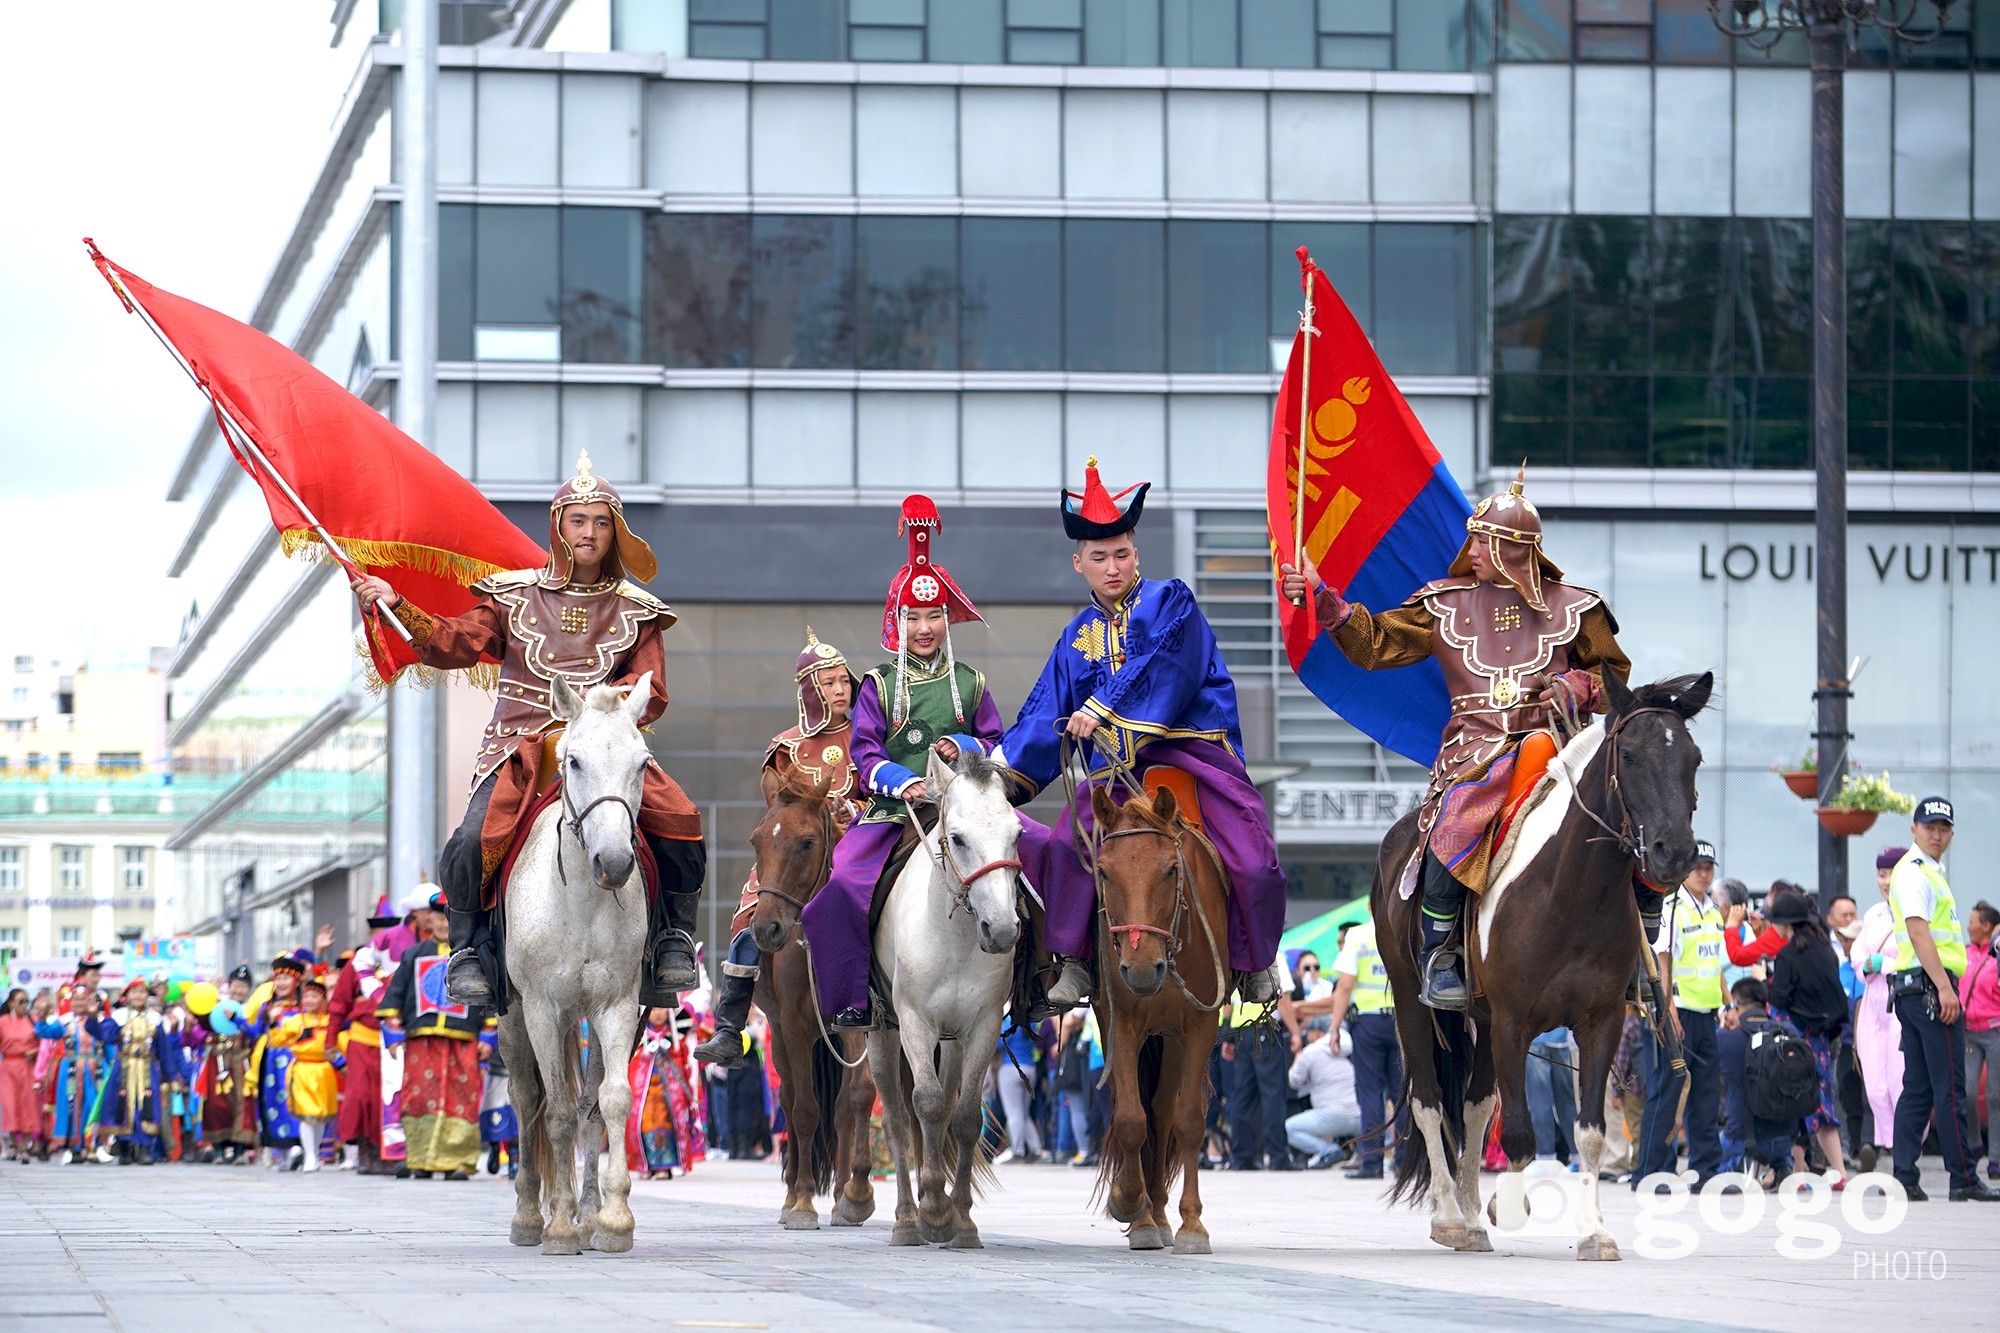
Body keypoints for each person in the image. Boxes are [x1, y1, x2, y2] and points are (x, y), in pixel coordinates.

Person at [354, 450, 707, 1009]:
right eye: (578, 520)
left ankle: (672, 942)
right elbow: (454, 642)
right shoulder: (513, 594)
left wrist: (608, 705)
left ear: (615, 532)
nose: (589, 532)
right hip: (517, 749)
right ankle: (468, 951)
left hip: (599, 746)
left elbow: (653, 692)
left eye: (601, 522)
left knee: (683, 821)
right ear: (558, 526)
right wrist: (398, 603)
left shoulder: (639, 610)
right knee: (470, 841)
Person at [1281, 473, 1631, 1009]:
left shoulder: (1578, 607)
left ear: (1515, 551)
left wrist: (1574, 684)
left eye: (1483, 541)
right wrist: (1326, 603)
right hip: (1476, 751)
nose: (1471, 551)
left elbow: (1615, 676)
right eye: (1474, 539)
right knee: (1459, 816)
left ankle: (1637, 944)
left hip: (1558, 744)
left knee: (1632, 813)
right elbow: (1376, 643)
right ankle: (1441, 951)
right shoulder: (1443, 603)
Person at [994, 460, 1288, 1009]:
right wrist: (997, 768)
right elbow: (1044, 710)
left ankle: (1256, 962)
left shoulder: (1169, 601)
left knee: (1252, 854)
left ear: (1137, 554)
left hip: (1192, 755)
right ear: (1078, 562)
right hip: (1116, 775)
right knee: (1062, 847)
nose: (1113, 567)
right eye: (1099, 557)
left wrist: (1102, 709)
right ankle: (1075, 962)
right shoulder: (1076, 637)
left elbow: (1169, 667)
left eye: (1122, 554)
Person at [798, 497, 1017, 1029]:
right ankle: (854, 998)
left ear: (947, 619)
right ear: (897, 621)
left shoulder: (971, 682)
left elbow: (997, 746)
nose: (924, 628)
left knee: (1034, 863)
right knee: (842, 888)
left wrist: (963, 747)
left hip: (969, 812)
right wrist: (907, 782)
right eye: (913, 616)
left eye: (933, 616)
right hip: (896, 814)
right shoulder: (876, 684)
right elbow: (866, 752)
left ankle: (1033, 987)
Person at [697, 629, 862, 1067]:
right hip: (797, 855)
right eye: (829, 683)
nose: (840, 690)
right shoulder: (785, 747)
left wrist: (855, 810)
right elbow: (777, 814)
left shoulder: (870, 736)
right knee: (752, 910)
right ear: (810, 690)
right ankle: (730, 1026)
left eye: (844, 680)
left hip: (858, 846)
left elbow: (880, 789)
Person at [1885, 797, 2000, 1202]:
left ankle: (1904, 1176)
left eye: (1944, 828)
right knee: (1949, 1087)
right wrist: (1946, 988)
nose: (1937, 834)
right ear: (1913, 830)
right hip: (1932, 989)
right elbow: (1919, 933)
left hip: (1914, 989)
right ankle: (1963, 1177)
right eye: (1929, 826)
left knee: (1918, 1088)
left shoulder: (1928, 872)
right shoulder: (1916, 873)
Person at [377, 899, 494, 1180]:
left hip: (463, 1039)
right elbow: (394, 996)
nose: (444, 924)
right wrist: (393, 1034)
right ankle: (419, 1158)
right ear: (431, 921)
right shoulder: (414, 954)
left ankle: (458, 1161)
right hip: (421, 1039)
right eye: (440, 919)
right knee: (418, 1097)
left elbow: (488, 999)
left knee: (461, 1097)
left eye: (450, 920)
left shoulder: (474, 956)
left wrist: (488, 1036)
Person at [1636, 841, 1725, 1189]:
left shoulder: (1713, 910)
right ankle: (1651, 1171)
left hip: (1706, 1012)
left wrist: (1728, 1005)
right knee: (1667, 1091)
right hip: (1675, 1012)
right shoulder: (1672, 907)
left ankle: (1707, 1171)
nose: (1704, 873)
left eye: (1709, 867)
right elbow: (1662, 959)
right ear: (1686, 869)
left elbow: (1714, 962)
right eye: (1698, 867)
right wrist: (1667, 1006)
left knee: (1705, 1094)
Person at [1765, 890, 1852, 1184]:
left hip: (1792, 1041)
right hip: (1821, 1042)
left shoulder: (1788, 955)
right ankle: (1839, 1171)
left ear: (1784, 922)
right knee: (1822, 1103)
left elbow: (1778, 998)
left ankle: (1798, 1173)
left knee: (1791, 1103)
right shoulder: (1826, 948)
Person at [1324, 916, 1399, 1180]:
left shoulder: (1358, 936)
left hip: (1367, 1022)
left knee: (1369, 1093)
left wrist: (1334, 1027)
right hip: (1400, 1020)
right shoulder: (1401, 925)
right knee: (1401, 1093)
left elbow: (1344, 986)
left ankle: (1372, 1162)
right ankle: (1403, 1160)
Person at [1715, 977, 1797, 1189]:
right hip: (1785, 1137)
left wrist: (1724, 1027)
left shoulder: (1725, 1039)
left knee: (1709, 1162)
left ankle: (1731, 1174)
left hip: (1740, 1137)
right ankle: (1783, 1166)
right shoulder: (1788, 1033)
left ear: (1736, 1004)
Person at [1223, 969, 1300, 1172]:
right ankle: (1277, 1156)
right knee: (1272, 1093)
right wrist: (1295, 1032)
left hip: (1241, 1030)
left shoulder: (1238, 958)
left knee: (1242, 1096)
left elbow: (1229, 999)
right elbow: (1282, 999)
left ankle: (1241, 1157)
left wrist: (1226, 1034)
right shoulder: (1273, 957)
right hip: (1265, 1028)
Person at [327, 945, 393, 1174]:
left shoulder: (403, 959)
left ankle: (387, 1154)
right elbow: (338, 1004)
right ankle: (365, 1150)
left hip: (395, 1042)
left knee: (387, 1099)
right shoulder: (358, 964)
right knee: (361, 1096)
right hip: (362, 1043)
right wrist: (330, 1041)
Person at [266, 975, 339, 1173]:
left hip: (324, 1070)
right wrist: (273, 1023)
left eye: (314, 996)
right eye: (306, 996)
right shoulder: (297, 1020)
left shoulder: (330, 1021)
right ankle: (309, 1156)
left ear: (323, 1000)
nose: (309, 1001)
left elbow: (338, 1045)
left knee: (320, 1116)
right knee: (307, 1116)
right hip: (303, 1071)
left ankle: (315, 1153)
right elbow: (277, 1040)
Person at [628, 1005, 706, 1179]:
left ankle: (665, 1166)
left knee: (669, 1120)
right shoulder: (639, 1036)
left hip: (668, 1093)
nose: (657, 1013)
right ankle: (646, 1165)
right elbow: (633, 1064)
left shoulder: (676, 1034)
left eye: (662, 1009)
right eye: (653, 1010)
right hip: (645, 1093)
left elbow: (682, 1059)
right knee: (643, 1120)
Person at [248, 955, 307, 1170]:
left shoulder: (303, 1007)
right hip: (270, 1062)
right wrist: (236, 1019)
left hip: (294, 1061)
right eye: (278, 979)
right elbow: (254, 1032)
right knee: (271, 1103)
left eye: (286, 979)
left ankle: (296, 1147)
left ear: (297, 981)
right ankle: (281, 1153)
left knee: (292, 1102)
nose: (281, 983)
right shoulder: (267, 1007)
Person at [101, 978, 167, 1165]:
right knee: (123, 1106)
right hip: (124, 1069)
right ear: (126, 995)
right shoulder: (118, 1016)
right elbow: (106, 1035)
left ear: (148, 996)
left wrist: (170, 1075)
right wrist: (92, 1017)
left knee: (146, 1106)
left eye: (142, 992)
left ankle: (145, 1150)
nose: (138, 995)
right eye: (134, 991)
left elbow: (164, 1049)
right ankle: (124, 1150)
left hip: (148, 1069)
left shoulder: (156, 1019)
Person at [198, 964, 258, 1163]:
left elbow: (255, 1033)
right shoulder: (217, 1006)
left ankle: (240, 1150)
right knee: (216, 1104)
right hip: (219, 1061)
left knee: (243, 1103)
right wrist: (208, 994)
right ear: (229, 985)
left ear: (249, 989)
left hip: (242, 1061)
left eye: (243, 986)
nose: (238, 990)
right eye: (235, 985)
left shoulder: (250, 1010)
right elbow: (203, 1023)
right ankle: (219, 1149)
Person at [1959, 902, 2000, 1179]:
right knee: (1968, 1092)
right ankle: (1974, 1146)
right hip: (1968, 1032)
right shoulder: (1964, 954)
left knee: (1996, 1097)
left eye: (1972, 921)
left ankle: (1996, 1158)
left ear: (1986, 926)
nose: (1968, 926)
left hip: (1995, 1031)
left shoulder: (1996, 957)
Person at [1285, 1027, 1362, 1169]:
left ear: (1315, 1032)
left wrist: (1298, 1055)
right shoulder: (1345, 1045)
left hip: (1331, 1118)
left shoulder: (1310, 1051)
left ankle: (1330, 1150)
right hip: (1359, 1117)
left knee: (1289, 1128)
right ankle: (1363, 1153)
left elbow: (1294, 1081)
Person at [993, 1019, 1045, 1164]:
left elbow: (996, 1044)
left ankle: (1018, 1151)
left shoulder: (1009, 1021)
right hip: (1030, 1068)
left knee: (1013, 1112)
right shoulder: (1032, 1022)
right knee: (1024, 1113)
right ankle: (1035, 1149)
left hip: (1010, 1067)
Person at [0, 989, 42, 1160]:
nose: (24, 1005)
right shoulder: (2, 1022)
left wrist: (36, 1051)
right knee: (10, 1106)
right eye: (20, 1001)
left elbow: (46, 1046)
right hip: (8, 1067)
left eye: (26, 1002)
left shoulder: (34, 1022)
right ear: (11, 1004)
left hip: (27, 1068)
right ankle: (12, 1144)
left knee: (28, 1105)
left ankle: (24, 1146)